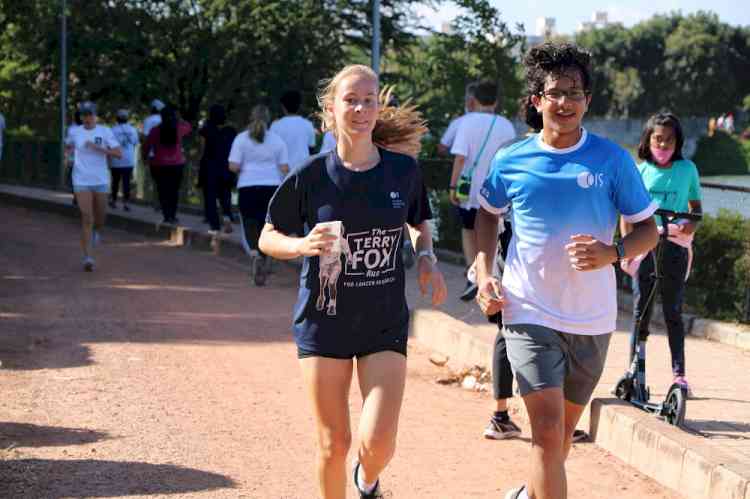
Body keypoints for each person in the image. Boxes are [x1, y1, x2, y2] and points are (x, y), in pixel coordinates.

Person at [473, 43, 658, 499]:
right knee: (549, 432)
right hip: (528, 310)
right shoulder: (511, 158)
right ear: (538, 100)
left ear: (588, 100)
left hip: (591, 319)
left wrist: (611, 253)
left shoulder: (612, 160)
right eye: (556, 92)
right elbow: (486, 214)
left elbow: (648, 230)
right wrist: (483, 270)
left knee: (559, 441)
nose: (566, 102)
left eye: (575, 92)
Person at [258, 64, 447, 499]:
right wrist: (303, 245)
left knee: (379, 442)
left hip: (383, 321)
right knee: (333, 443)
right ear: (331, 108)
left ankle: (367, 479)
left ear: (378, 107)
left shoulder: (402, 171)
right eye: (351, 100)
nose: (361, 108)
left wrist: (427, 257)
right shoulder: (310, 175)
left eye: (369, 100)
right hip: (325, 322)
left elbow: (420, 219)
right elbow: (267, 237)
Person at [621, 112, 702, 395]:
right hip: (645, 247)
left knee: (673, 311)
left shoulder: (688, 170)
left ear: (677, 141)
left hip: (675, 248)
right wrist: (626, 247)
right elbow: (627, 213)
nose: (663, 145)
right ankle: (634, 368)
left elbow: (696, 209)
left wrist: (688, 225)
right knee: (640, 310)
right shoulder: (640, 170)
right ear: (648, 139)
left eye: (669, 140)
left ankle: (679, 375)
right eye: (658, 139)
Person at [449, 79, 516, 301]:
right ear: (496, 101)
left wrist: (452, 185)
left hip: (470, 191)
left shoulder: (466, 123)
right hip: (498, 192)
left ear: (474, 99)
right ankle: (489, 273)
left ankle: (473, 273)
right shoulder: (507, 125)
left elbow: (460, 157)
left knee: (469, 230)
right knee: (494, 233)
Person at [228, 104, 289, 286]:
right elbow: (285, 168)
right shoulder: (277, 141)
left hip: (247, 186)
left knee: (249, 222)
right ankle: (264, 254)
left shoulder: (241, 139)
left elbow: (233, 165)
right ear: (269, 119)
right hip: (271, 187)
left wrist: (245, 168)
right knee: (267, 224)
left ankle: (255, 253)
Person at [65, 101, 123, 271]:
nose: (87, 118)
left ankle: (97, 231)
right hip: (81, 180)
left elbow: (118, 153)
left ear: (95, 115)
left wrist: (99, 148)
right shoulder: (74, 131)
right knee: (87, 217)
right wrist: (68, 155)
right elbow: (68, 147)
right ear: (81, 116)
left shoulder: (105, 131)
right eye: (84, 114)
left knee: (100, 218)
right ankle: (88, 258)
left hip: (101, 181)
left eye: (90, 114)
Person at [142, 105, 192, 224]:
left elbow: (146, 146)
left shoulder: (155, 130)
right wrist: (179, 119)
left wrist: (145, 158)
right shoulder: (179, 128)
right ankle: (173, 216)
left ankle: (166, 215)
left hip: (158, 165)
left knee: (162, 191)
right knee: (174, 191)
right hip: (177, 164)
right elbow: (189, 127)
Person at [198, 104, 237, 233]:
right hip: (226, 168)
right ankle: (227, 216)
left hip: (209, 168)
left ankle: (214, 226)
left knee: (210, 198)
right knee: (225, 195)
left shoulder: (206, 130)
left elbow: (202, 150)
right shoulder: (231, 131)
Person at [270, 90, 317, 168]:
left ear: (283, 106)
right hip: (303, 170)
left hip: (282, 173)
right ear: (299, 106)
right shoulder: (308, 125)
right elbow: (312, 150)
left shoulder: (275, 126)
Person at [437, 82, 478, 156]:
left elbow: (441, 149)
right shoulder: (496, 122)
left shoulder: (458, 123)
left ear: (469, 101)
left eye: (466, 99)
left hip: (464, 165)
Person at [109, 109, 139, 211]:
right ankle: (126, 203)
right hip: (128, 160)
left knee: (115, 181)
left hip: (116, 159)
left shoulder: (112, 130)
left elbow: (109, 145)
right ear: (127, 119)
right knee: (126, 182)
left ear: (117, 118)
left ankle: (113, 200)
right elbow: (135, 143)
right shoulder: (133, 130)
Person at [142, 99, 165, 211]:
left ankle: (156, 203)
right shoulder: (166, 120)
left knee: (155, 180)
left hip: (153, 153)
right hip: (167, 154)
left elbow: (146, 138)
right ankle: (162, 202)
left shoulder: (148, 120)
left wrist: (144, 155)